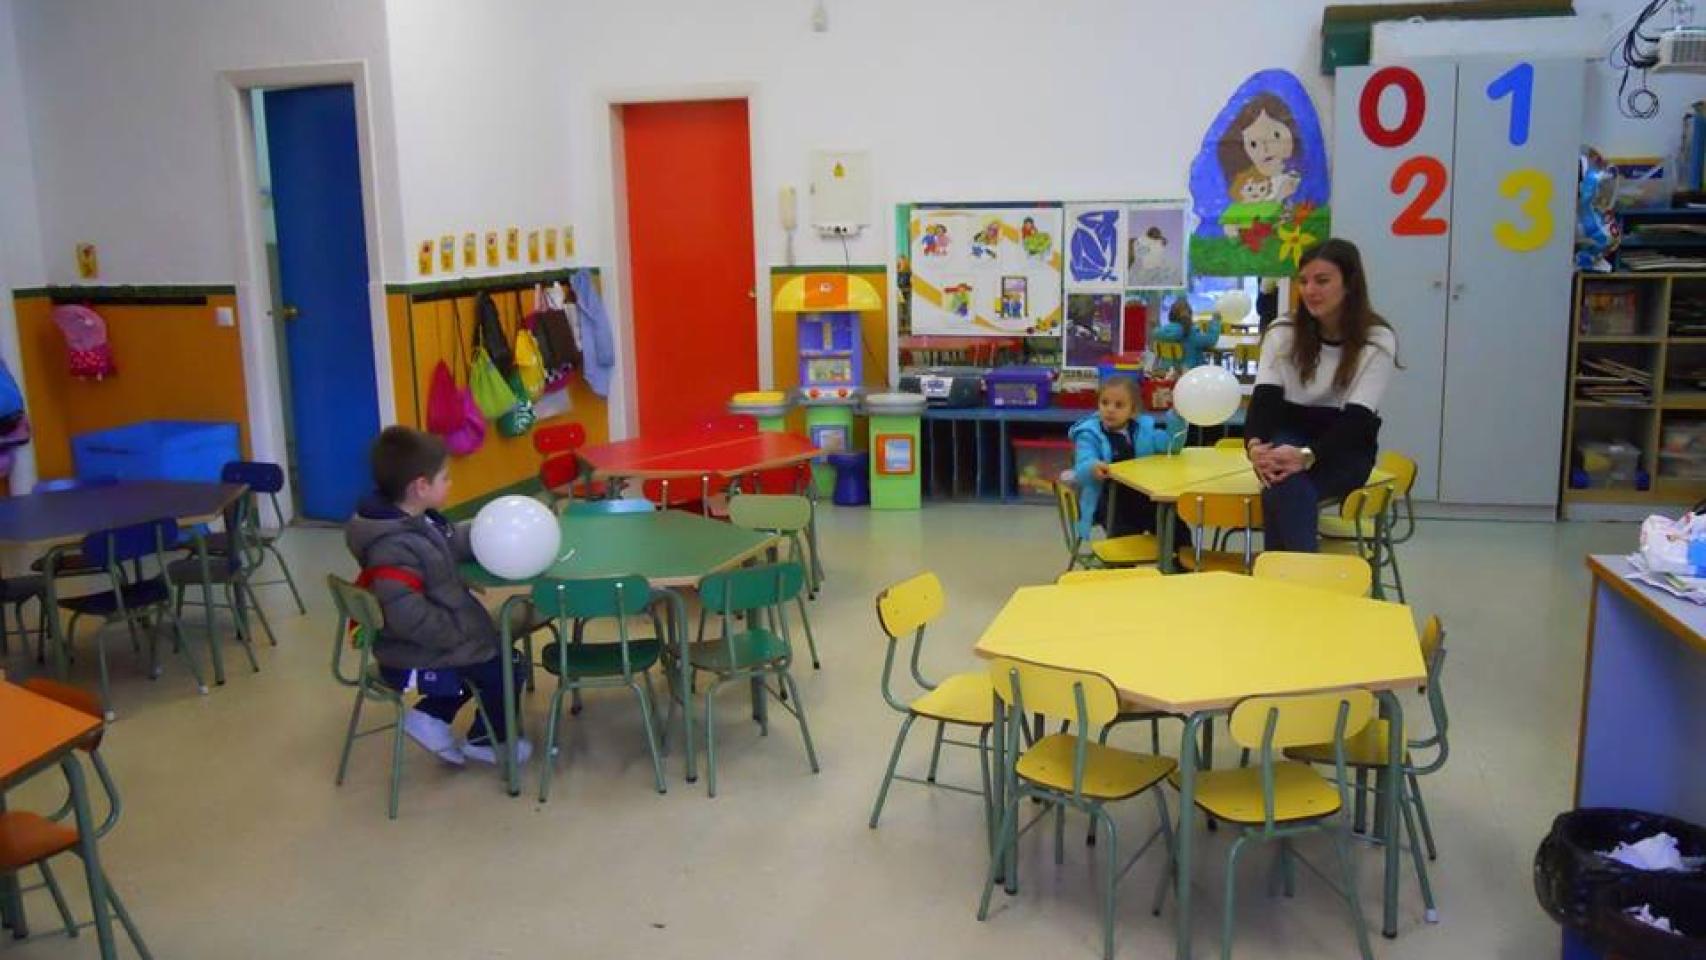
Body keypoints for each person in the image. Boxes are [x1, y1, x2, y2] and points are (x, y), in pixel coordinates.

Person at [345, 426, 532, 766]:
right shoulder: (392, 546)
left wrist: (487, 535)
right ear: (421, 487)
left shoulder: (417, 521)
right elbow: (407, 616)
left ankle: (437, 717)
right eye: (445, 478)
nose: (450, 483)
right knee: (505, 666)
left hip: (429, 638)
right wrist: (460, 633)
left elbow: (447, 541)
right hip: (413, 650)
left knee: (496, 655)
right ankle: (480, 738)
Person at [1245, 238, 1398, 553]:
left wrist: (1307, 455)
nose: (1310, 290)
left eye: (1322, 281)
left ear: (1349, 284)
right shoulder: (1282, 331)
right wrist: (1254, 445)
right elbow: (1264, 399)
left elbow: (1357, 420)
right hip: (1289, 436)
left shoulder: (1377, 339)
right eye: (1303, 281)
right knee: (1284, 481)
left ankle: (1282, 577)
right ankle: (1299, 579)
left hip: (1345, 448)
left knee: (1283, 488)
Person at [1069, 376, 1187, 545]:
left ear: (1133, 410)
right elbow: (1082, 465)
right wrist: (1092, 467)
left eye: (1119, 405)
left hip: (1144, 496)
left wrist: (1177, 418)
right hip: (1110, 501)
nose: (1110, 410)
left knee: (1176, 528)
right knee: (1125, 537)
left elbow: (1172, 446)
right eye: (1104, 403)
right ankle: (1125, 561)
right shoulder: (1089, 434)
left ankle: (1178, 559)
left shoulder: (1143, 429)